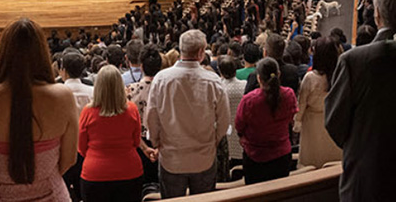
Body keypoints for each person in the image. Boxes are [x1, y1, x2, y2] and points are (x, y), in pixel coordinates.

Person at [325, 0, 396, 202]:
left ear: (376, 12)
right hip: (394, 164)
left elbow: (334, 121)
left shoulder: (352, 60)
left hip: (360, 172)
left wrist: (359, 141)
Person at [0, 18, 78, 201]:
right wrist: (42, 180)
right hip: (52, 194)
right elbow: (69, 160)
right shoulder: (63, 96)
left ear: (2, 53)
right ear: (42, 52)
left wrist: (4, 184)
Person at [145, 29, 232, 198]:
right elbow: (224, 120)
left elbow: (152, 117)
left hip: (172, 158)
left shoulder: (161, 79)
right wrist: (213, 141)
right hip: (203, 157)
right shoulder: (213, 81)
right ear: (201, 53)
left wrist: (156, 142)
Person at [78, 65, 153, 202]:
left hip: (95, 174)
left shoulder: (87, 112)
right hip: (129, 171)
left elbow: (81, 148)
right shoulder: (131, 109)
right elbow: (136, 142)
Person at [235, 58, 298, 185]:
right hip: (282, 155)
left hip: (256, 156)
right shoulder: (289, 94)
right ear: (278, 74)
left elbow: (239, 125)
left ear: (259, 78)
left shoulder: (249, 100)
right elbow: (291, 118)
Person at [297, 37, 343, 168]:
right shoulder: (340, 74)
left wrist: (297, 121)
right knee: (333, 159)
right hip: (334, 119)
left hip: (312, 123)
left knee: (313, 163)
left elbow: (302, 103)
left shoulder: (310, 77)